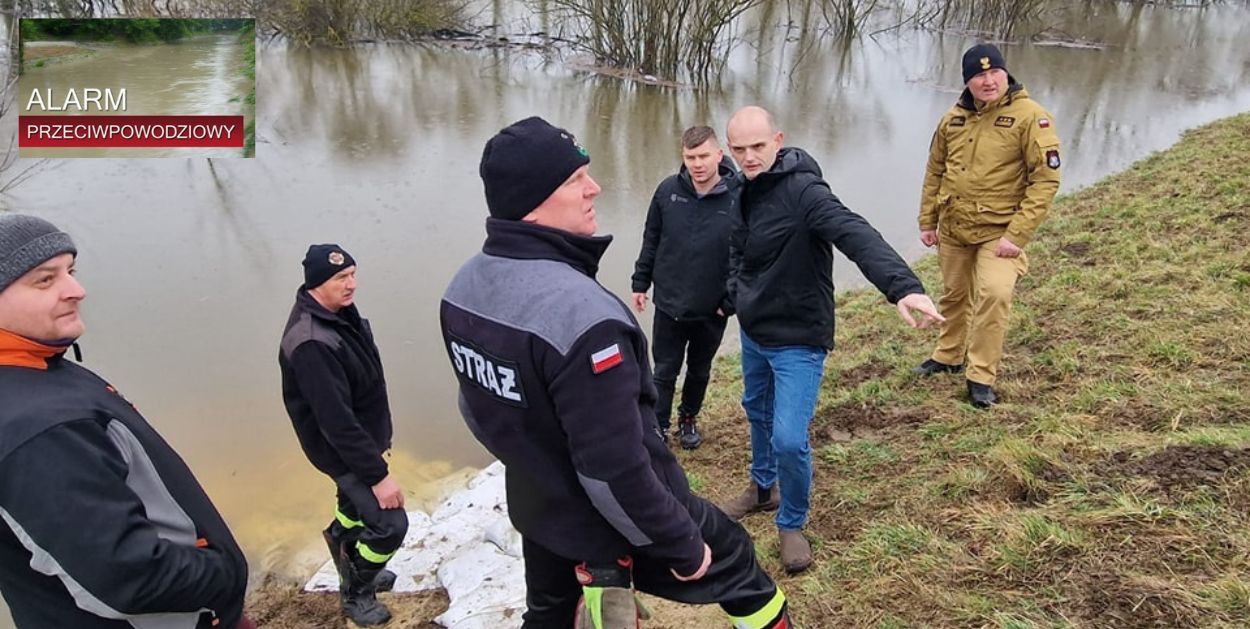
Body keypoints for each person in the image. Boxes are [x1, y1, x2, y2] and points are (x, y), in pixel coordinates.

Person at [441, 116, 791, 629]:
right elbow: (615, 470)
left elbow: (477, 412)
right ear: (533, 202)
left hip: (537, 505)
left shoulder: (461, 289)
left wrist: (537, 464)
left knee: (549, 611)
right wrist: (681, 543)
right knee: (737, 563)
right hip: (610, 520)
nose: (594, 188)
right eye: (574, 180)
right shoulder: (585, 319)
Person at [720, 106, 944, 574]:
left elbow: (854, 233)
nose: (748, 157)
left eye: (757, 147)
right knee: (756, 411)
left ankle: (792, 521)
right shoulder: (740, 187)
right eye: (738, 149)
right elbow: (738, 249)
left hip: (799, 336)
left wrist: (903, 288)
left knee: (787, 436)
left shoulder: (805, 190)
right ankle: (763, 487)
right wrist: (734, 295)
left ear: (778, 139)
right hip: (756, 331)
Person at [0, 214, 251, 628]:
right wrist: (224, 577)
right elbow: (131, 577)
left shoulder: (38, 365)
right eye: (45, 280)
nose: (76, 291)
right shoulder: (34, 428)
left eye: (71, 271)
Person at [914, 43, 1061, 408]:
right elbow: (935, 170)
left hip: (999, 233)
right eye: (979, 75)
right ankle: (948, 356)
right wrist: (928, 219)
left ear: (1005, 74)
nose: (988, 80)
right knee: (954, 294)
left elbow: (1045, 180)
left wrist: (1018, 234)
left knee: (994, 295)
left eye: (994, 72)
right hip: (954, 227)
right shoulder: (953, 118)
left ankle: (980, 376)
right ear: (967, 82)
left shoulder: (1031, 117)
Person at [278, 244, 408, 626]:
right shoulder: (312, 342)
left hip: (361, 442)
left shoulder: (338, 314)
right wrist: (378, 477)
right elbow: (336, 423)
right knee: (389, 526)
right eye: (340, 278)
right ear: (317, 283)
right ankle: (357, 590)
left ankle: (343, 546)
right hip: (344, 450)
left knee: (351, 511)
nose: (351, 285)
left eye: (353, 274)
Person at [630, 125, 740, 450]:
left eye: (704, 155)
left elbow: (748, 254)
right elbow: (651, 238)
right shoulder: (667, 192)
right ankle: (658, 426)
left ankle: (688, 417)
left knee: (699, 370)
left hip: (712, 308)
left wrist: (731, 300)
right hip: (669, 304)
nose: (697, 163)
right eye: (690, 156)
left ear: (719, 155)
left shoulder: (740, 197)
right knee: (663, 371)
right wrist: (641, 281)